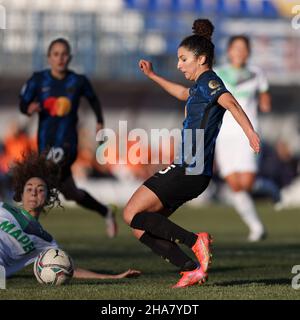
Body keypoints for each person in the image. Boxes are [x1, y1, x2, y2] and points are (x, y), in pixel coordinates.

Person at [123, 19, 260, 288]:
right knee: (141, 225)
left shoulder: (210, 81)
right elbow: (183, 94)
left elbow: (230, 101)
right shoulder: (199, 86)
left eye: (183, 59)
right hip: (193, 170)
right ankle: (191, 269)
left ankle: (195, 241)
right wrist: (153, 76)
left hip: (190, 167)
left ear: (201, 59)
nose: (179, 64)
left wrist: (250, 133)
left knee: (131, 213)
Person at [19, 38, 117, 238]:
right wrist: (28, 108)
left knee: (38, 180)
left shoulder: (77, 81)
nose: (60, 58)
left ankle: (26, 227)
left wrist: (99, 121)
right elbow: (23, 102)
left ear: (70, 57)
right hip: (45, 142)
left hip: (68, 144)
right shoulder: (38, 80)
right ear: (49, 57)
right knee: (72, 193)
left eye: (64, 54)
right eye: (56, 54)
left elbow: (94, 99)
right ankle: (105, 211)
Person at [0, 152, 140, 280]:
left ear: (48, 196)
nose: (34, 193)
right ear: (21, 194)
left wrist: (112, 277)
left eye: (40, 189)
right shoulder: (3, 208)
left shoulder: (45, 240)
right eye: (29, 189)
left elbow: (68, 268)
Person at [215, 35, 271, 241]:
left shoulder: (256, 73)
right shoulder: (218, 73)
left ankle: (269, 187)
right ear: (229, 51)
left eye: (243, 48)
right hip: (225, 136)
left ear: (248, 52)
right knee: (234, 186)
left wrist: (265, 102)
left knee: (247, 184)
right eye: (235, 48)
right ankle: (256, 227)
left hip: (248, 132)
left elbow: (265, 96)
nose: (239, 52)